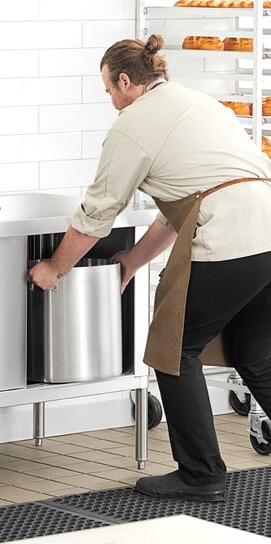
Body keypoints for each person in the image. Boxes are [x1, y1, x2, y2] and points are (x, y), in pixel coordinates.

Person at [27, 34, 271, 502]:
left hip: (229, 237)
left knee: (174, 349)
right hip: (266, 230)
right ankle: (202, 470)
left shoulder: (132, 125)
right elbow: (177, 208)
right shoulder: (198, 104)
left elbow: (97, 214)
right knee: (256, 356)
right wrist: (134, 261)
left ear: (125, 81)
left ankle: (201, 475)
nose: (111, 103)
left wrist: (54, 270)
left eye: (108, 91)